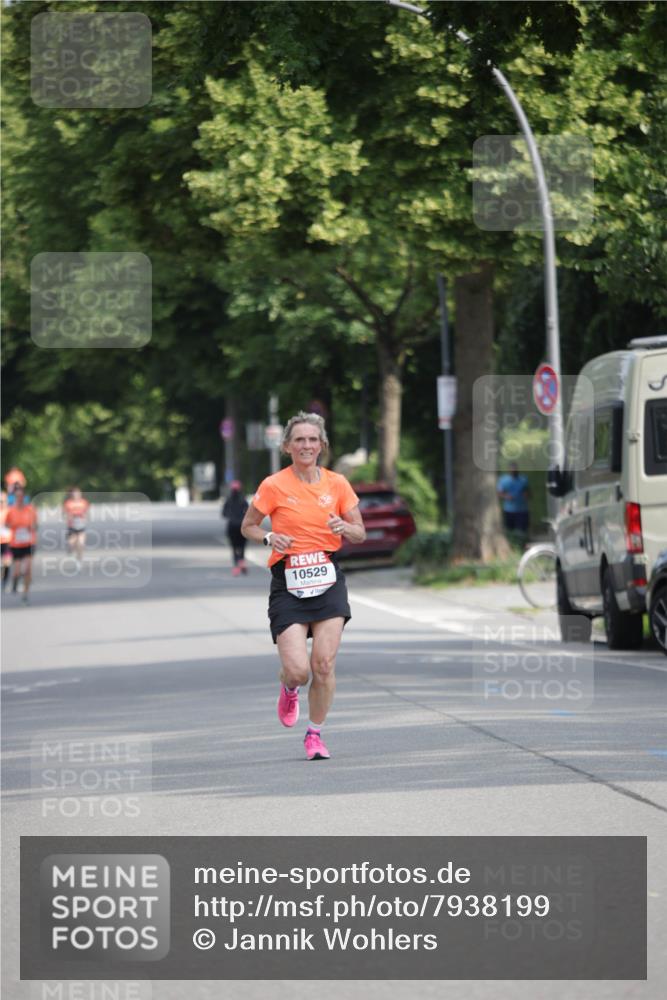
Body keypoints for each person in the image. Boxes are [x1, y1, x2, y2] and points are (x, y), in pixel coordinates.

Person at [241, 411, 366, 760]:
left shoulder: (337, 483)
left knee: (323, 665)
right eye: (299, 439)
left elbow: (360, 531)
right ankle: (288, 687)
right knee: (298, 670)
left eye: (313, 439)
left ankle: (314, 734)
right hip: (288, 579)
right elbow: (247, 525)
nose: (306, 445)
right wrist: (268, 537)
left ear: (322, 445)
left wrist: (344, 526)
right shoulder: (273, 485)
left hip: (327, 578)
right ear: (287, 446)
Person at [5, 484, 38, 604]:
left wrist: (31, 527)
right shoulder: (11, 511)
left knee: (28, 569)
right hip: (16, 543)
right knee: (17, 570)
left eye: (21, 496)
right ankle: (15, 579)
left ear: (24, 497)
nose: (19, 498)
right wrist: (15, 526)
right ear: (14, 498)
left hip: (29, 542)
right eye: (17, 496)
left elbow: (36, 525)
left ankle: (25, 593)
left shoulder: (31, 509)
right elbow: (6, 524)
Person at [222, 480, 249, 576]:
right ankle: (242, 561)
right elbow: (249, 513)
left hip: (232, 527)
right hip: (242, 527)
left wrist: (231, 516)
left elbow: (223, 514)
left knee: (234, 547)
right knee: (242, 546)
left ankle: (236, 566)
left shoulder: (228, 500)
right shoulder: (243, 500)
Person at [497, 462, 531, 537]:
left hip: (522, 509)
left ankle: (521, 543)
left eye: (515, 470)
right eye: (512, 471)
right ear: (509, 471)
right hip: (509, 510)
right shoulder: (503, 480)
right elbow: (500, 493)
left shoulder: (523, 479)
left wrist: (526, 495)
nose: (514, 472)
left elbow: (528, 492)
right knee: (510, 530)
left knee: (522, 530)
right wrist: (506, 496)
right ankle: (512, 544)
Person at [62, 486, 90, 566]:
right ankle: (70, 549)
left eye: (78, 493)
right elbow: (64, 515)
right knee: (71, 543)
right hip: (72, 526)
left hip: (81, 525)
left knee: (81, 543)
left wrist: (84, 517)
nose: (76, 495)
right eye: (74, 494)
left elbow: (87, 513)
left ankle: (79, 560)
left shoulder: (84, 502)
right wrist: (69, 517)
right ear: (71, 495)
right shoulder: (68, 503)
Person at [1, 490, 12, 590]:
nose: (1, 503)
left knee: (7, 562)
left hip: (7, 541)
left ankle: (4, 581)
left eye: (3, 501)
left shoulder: (10, 512)